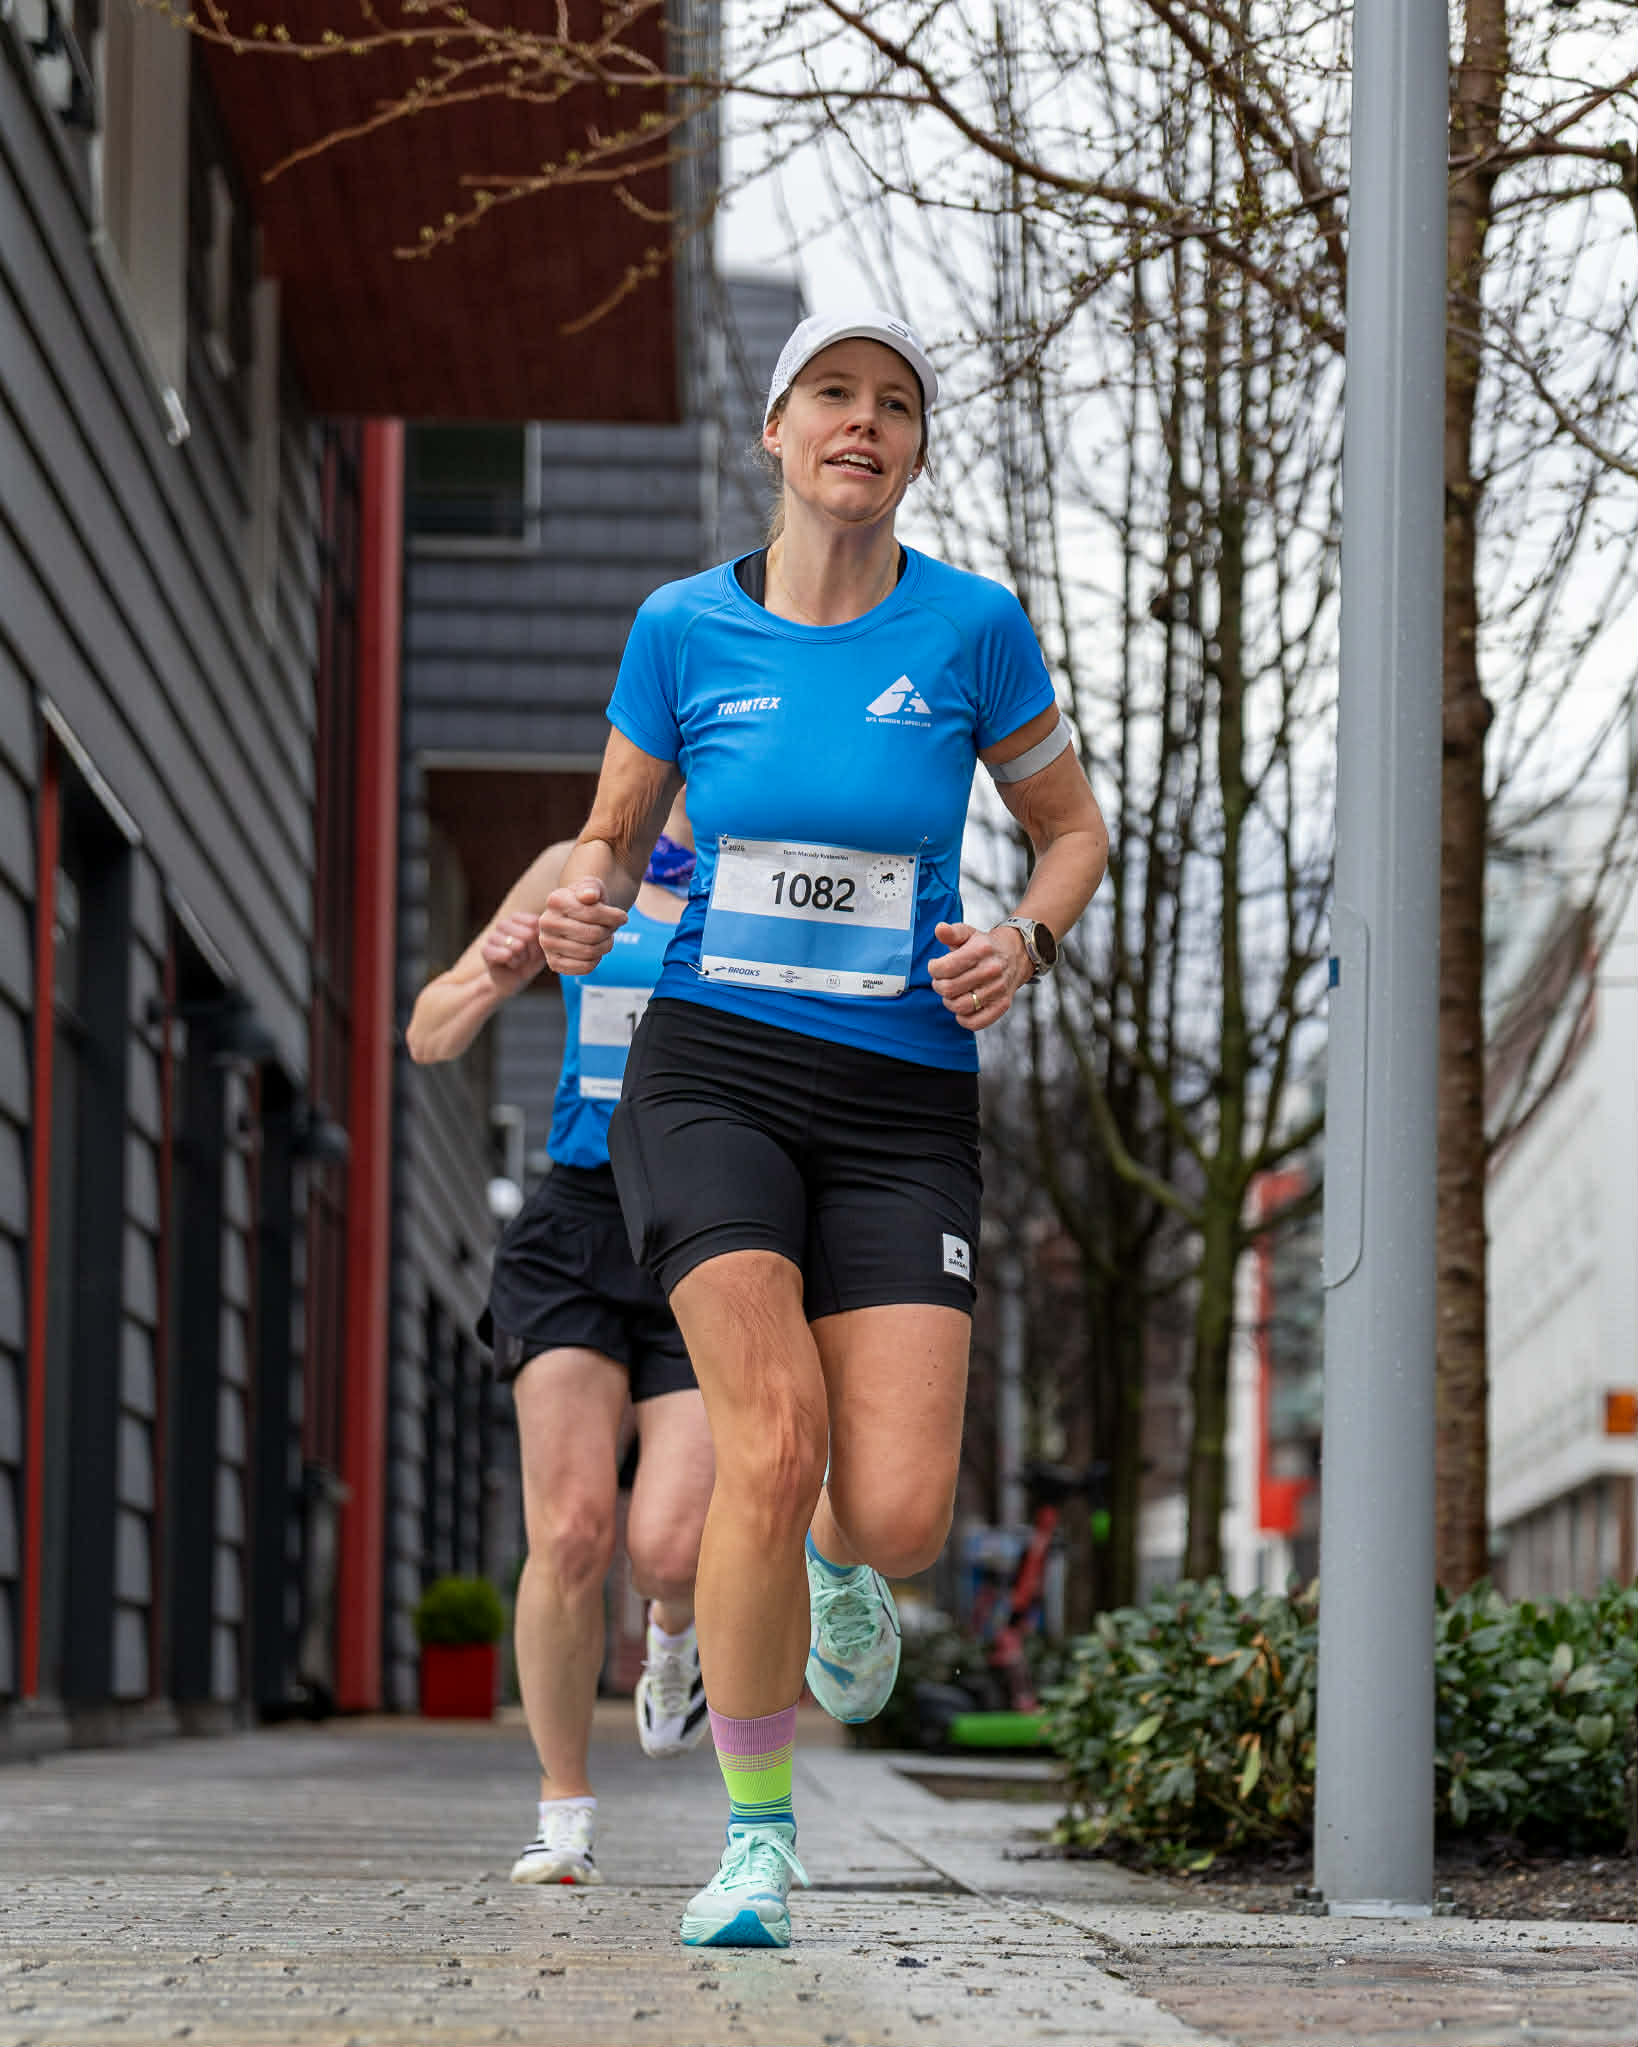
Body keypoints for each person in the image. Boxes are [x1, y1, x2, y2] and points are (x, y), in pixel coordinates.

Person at [538, 307, 1109, 1947]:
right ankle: (759, 1840)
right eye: (832, 396)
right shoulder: (679, 628)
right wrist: (584, 904)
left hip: (903, 1091)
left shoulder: (973, 631)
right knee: (767, 1443)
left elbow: (1066, 829)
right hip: (709, 1064)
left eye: (894, 405)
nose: (862, 423)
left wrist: (1027, 936)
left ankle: (844, 1574)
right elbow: (608, 831)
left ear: (915, 450)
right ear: (774, 432)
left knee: (898, 1511)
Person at [407, 794, 714, 1888]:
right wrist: (495, 967)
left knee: (668, 1549)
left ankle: (673, 1639)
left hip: (701, 1230)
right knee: (574, 1530)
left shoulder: (766, 868)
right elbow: (429, 1030)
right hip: (574, 1226)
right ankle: (563, 1810)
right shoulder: (578, 867)